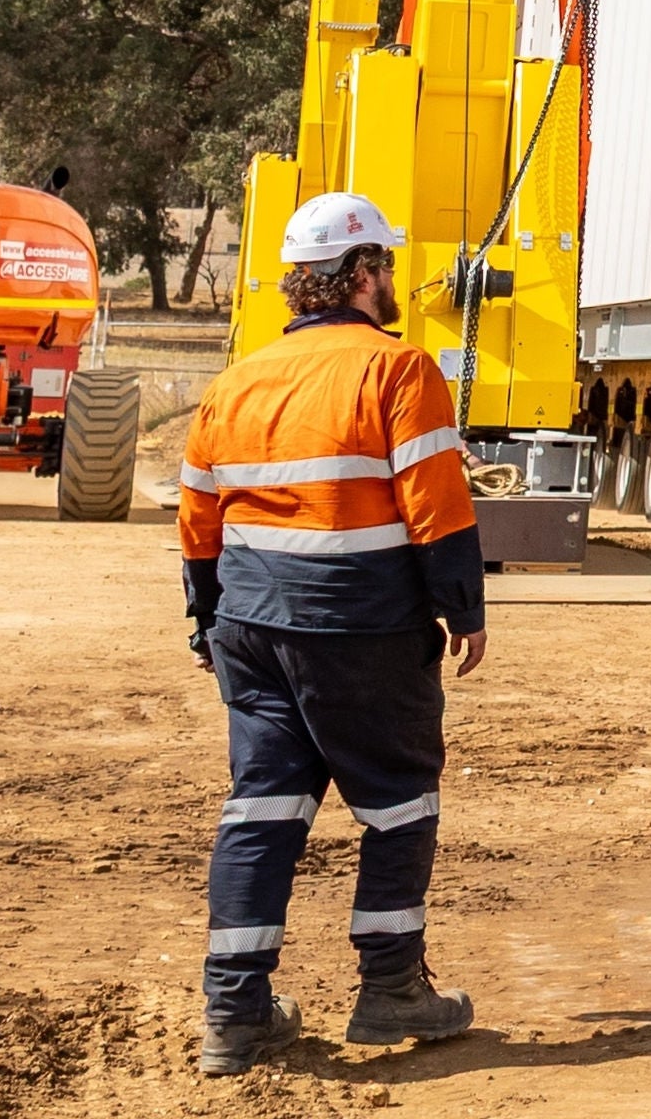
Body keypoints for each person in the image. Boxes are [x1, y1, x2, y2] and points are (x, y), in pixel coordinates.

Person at [178, 192, 488, 1076]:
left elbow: (198, 521)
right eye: (385, 264)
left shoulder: (235, 379)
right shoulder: (399, 370)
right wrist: (463, 608)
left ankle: (235, 1016)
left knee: (262, 807)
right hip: (360, 626)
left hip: (249, 623)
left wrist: (206, 620)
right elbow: (435, 502)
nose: (392, 280)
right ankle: (391, 989)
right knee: (398, 801)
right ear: (359, 275)